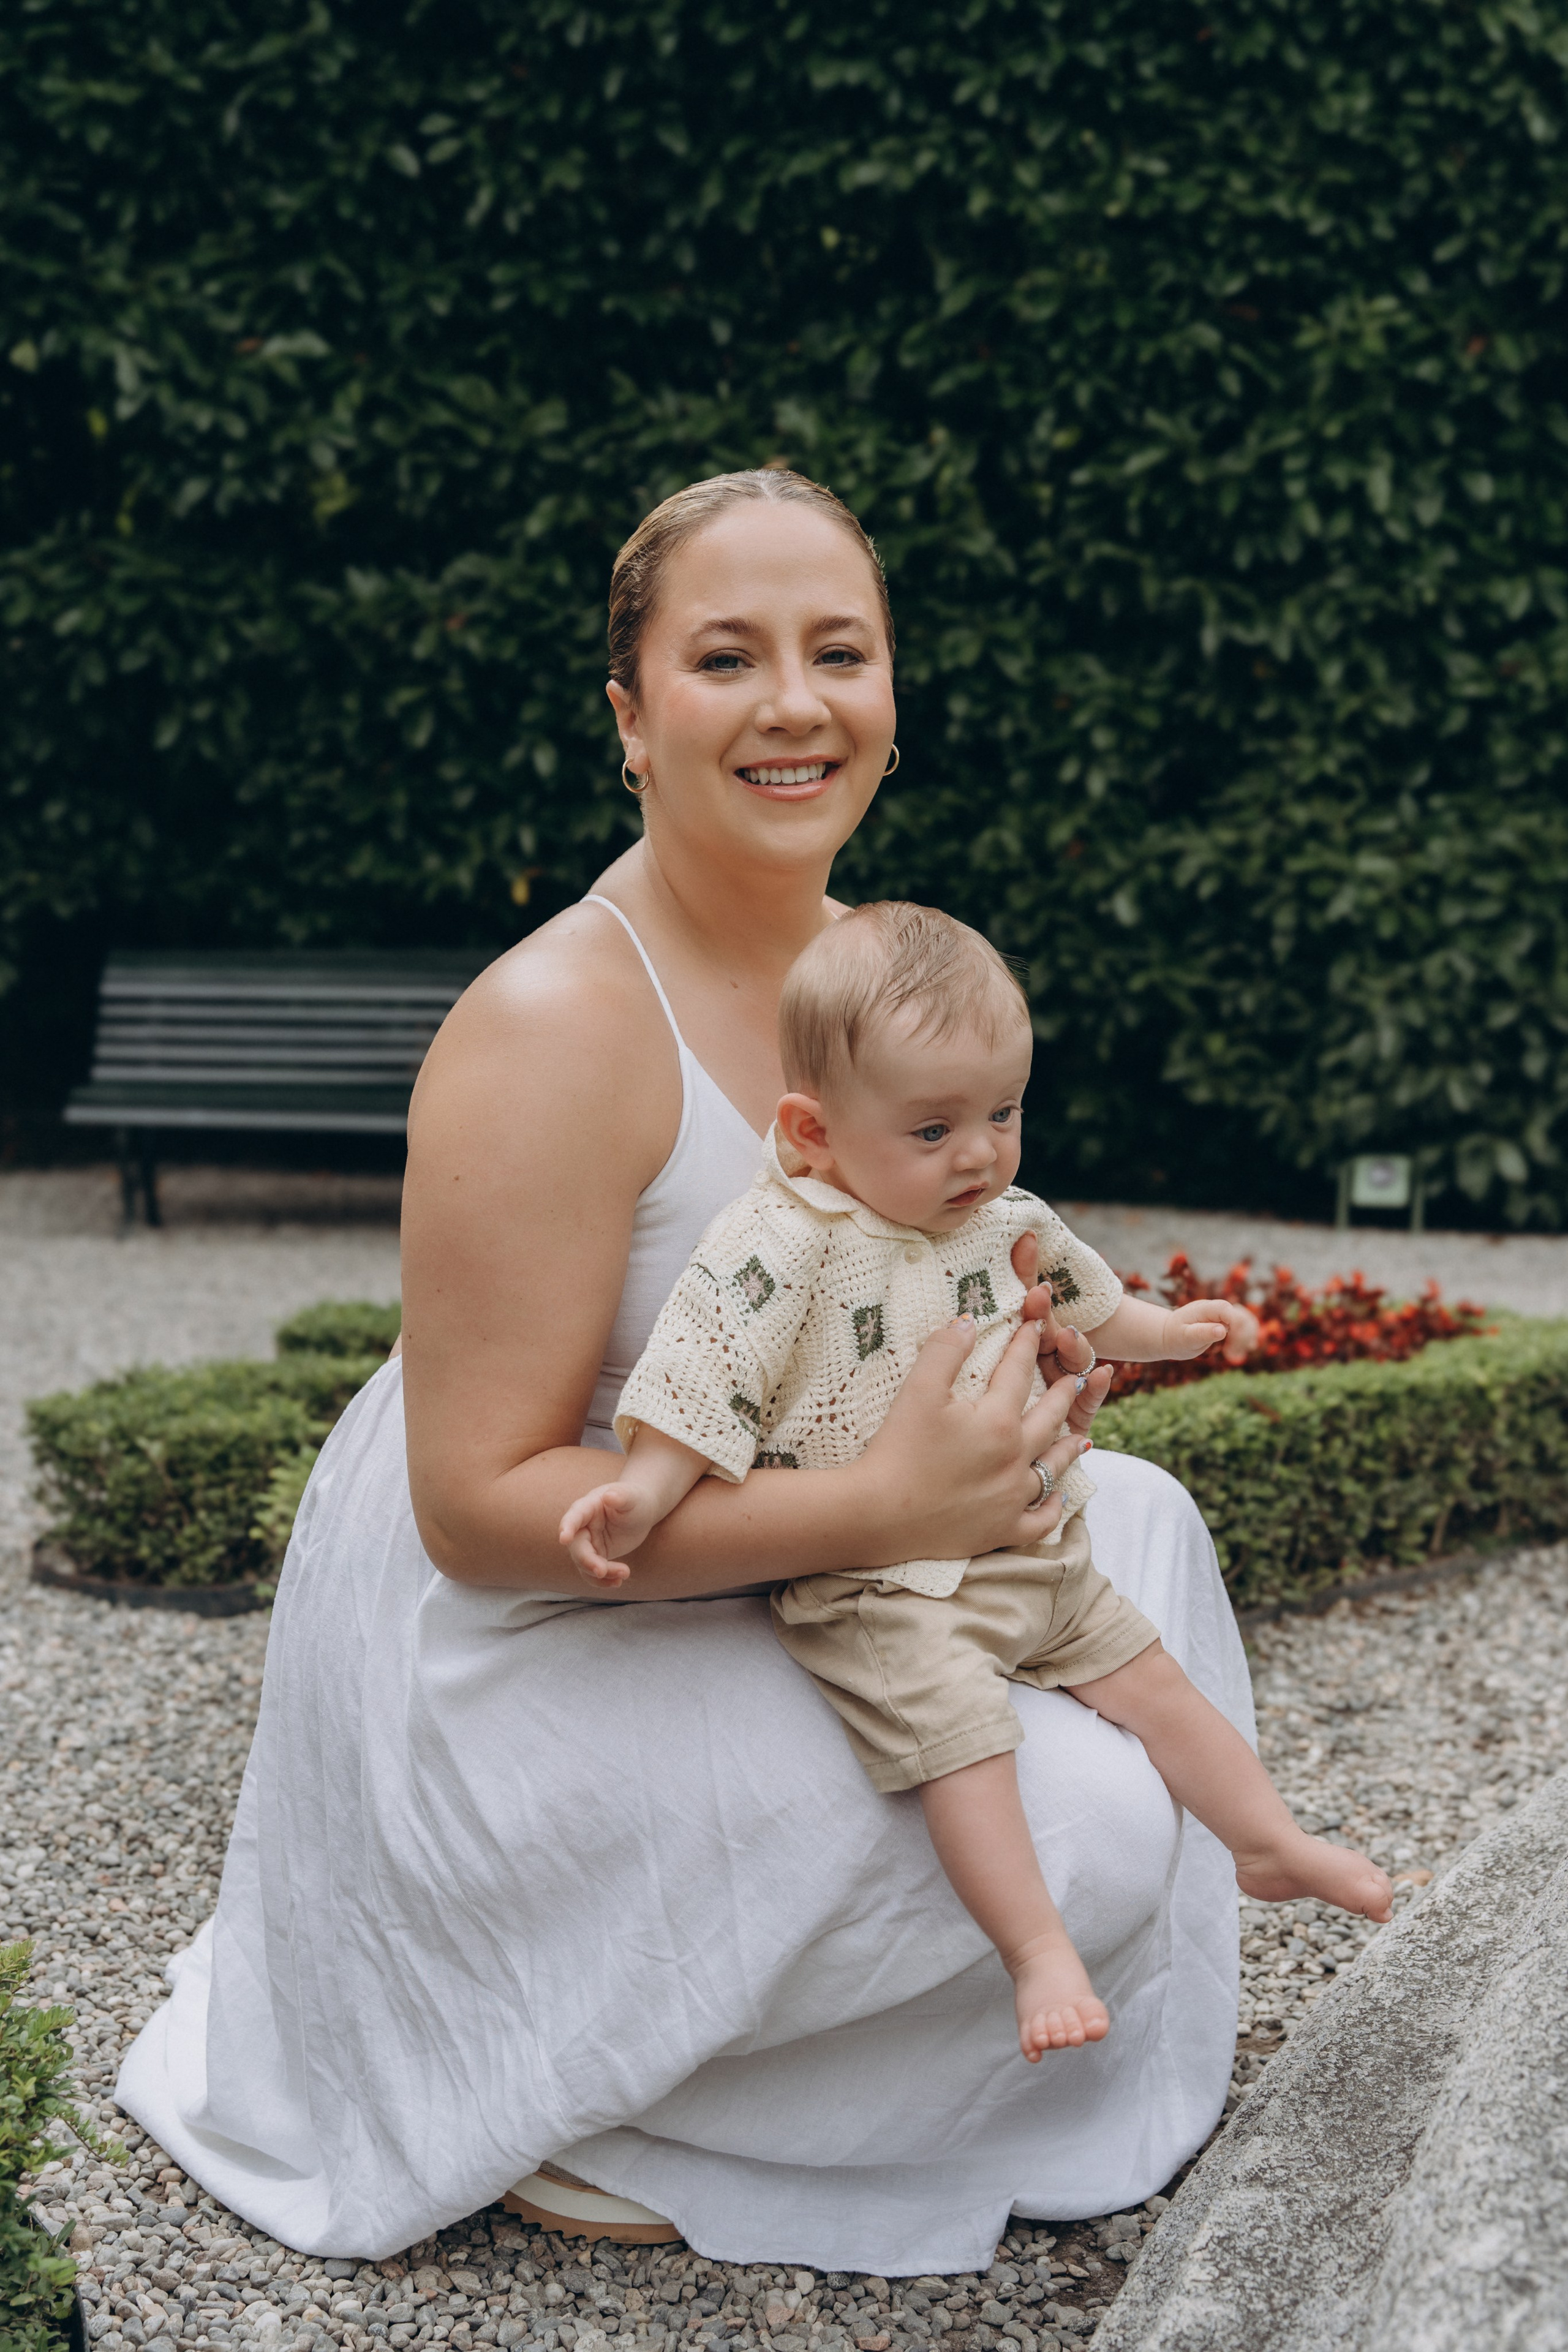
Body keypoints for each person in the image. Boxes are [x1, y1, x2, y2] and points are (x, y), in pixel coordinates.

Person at [118, 467, 1261, 2273]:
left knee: (1154, 1540)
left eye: (841, 652)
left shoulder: (863, 974)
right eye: (728, 658)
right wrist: (891, 1500)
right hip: (538, 1629)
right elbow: (479, 1511)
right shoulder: (555, 1025)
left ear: (891, 694)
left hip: (775, 1542)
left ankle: (829, 2048)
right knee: (1106, 1826)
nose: (797, 702)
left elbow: (892, 1281)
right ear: (633, 720)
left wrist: (1020, 1384)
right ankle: (596, 2097)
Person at [561, 901, 1393, 2064]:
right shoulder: (778, 1239)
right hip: (878, 1587)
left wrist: (1166, 1329)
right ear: (812, 1131)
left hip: (1026, 1548)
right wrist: (648, 1489)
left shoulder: (1000, 1216)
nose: (981, 1153)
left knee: (1152, 1677)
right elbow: (708, 1367)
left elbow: (1090, 1296)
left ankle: (1263, 1839)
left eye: (1002, 1112)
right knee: (964, 1739)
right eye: (935, 1128)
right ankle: (1035, 1948)